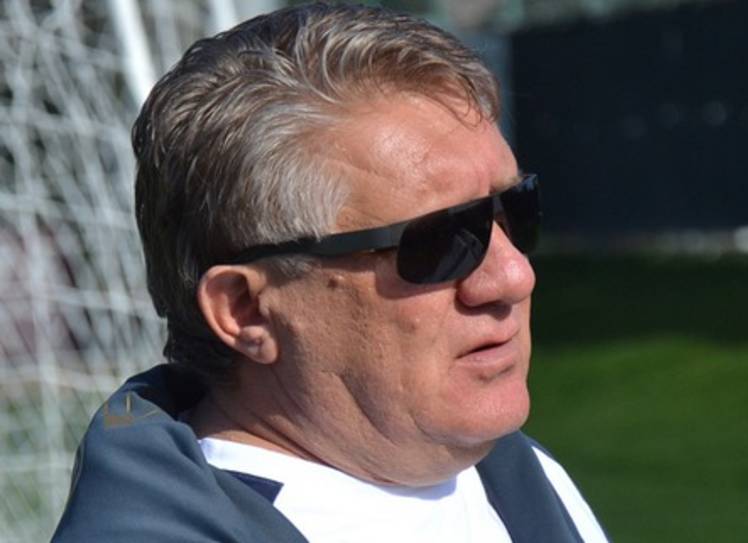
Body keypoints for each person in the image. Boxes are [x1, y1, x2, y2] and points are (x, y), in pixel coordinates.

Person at [53, 3, 608, 542]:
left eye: (514, 211)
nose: (513, 276)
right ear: (246, 310)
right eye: (441, 241)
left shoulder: (520, 481)